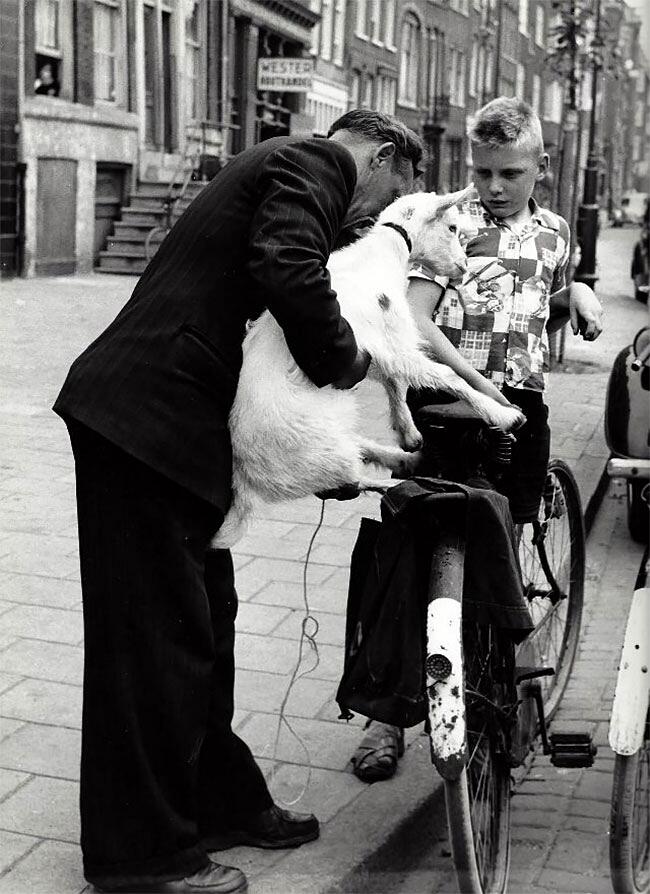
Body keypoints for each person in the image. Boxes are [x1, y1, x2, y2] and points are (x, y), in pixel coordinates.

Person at [53, 109, 423, 893]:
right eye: (390, 194)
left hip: (173, 433)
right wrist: (348, 364)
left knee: (204, 626)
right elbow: (289, 269)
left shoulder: (283, 168)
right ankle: (141, 859)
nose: (372, 216)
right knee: (150, 648)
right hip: (139, 423)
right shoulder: (318, 162)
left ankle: (219, 801)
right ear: (382, 154)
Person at [350, 97, 603, 783]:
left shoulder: (554, 233)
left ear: (540, 169)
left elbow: (530, 297)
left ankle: (507, 679)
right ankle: (388, 718)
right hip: (448, 405)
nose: (494, 188)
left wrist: (573, 295)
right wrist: (474, 392)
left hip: (522, 408)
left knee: (510, 545)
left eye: (510, 174)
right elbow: (417, 318)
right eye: (484, 172)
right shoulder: (445, 223)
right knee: (415, 549)